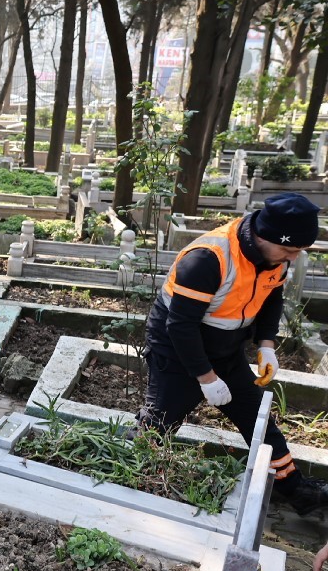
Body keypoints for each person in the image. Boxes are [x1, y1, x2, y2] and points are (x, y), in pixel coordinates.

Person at [141, 192, 328, 515]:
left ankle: (294, 489)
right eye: (289, 249)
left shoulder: (275, 258)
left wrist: (266, 344)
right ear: (264, 236)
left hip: (226, 348)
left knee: (257, 419)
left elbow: (272, 297)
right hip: (177, 349)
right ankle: (137, 479)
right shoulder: (208, 258)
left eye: (299, 251)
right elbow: (181, 325)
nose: (293, 258)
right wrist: (206, 377)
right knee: (160, 423)